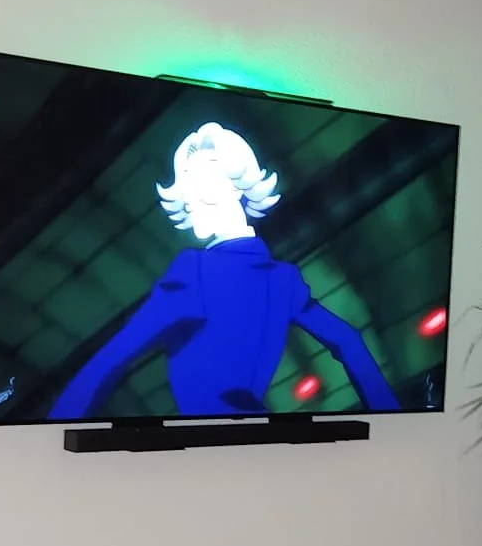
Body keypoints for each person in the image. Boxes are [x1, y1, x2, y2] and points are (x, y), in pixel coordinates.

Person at [48, 121, 400, 419]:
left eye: (200, 184)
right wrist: (390, 418)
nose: (191, 198)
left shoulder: (195, 273)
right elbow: (348, 341)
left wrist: (58, 426)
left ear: (235, 185)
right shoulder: (282, 279)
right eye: (187, 188)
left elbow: (116, 354)